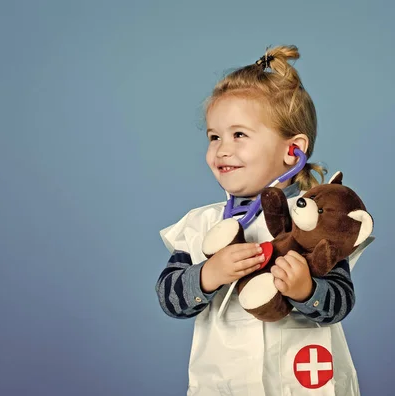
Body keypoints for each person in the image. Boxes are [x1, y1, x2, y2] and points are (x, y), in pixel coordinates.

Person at [155, 45, 373, 396]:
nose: (222, 149)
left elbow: (341, 302)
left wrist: (307, 290)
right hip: (224, 385)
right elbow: (169, 298)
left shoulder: (315, 221)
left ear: (293, 151)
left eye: (239, 134)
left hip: (304, 383)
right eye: (214, 137)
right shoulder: (199, 224)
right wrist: (209, 275)